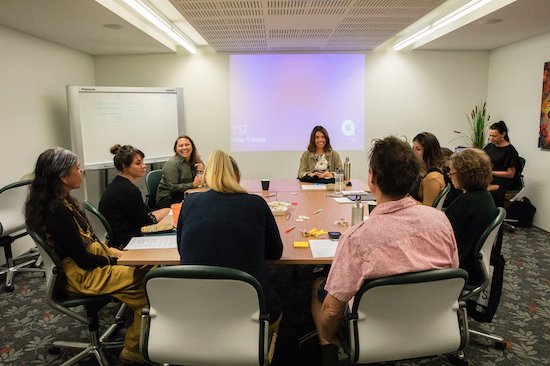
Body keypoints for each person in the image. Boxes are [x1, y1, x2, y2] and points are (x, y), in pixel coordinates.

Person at [311, 136, 459, 366]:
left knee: (318, 287)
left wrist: (331, 335)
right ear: (413, 177)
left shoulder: (356, 237)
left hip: (371, 333)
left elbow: (331, 312)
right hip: (430, 323)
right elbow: (451, 272)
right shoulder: (441, 221)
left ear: (372, 177)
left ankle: (332, 352)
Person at [24, 147, 148, 365]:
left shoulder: (61, 202)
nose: (81, 172)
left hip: (87, 267)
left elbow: (90, 244)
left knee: (146, 270)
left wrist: (116, 253)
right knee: (148, 284)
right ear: (63, 177)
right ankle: (132, 350)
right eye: (78, 169)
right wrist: (115, 260)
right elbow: (83, 260)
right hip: (82, 276)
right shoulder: (58, 212)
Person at [176, 150, 283, 329]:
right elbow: (275, 253)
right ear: (238, 176)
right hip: (253, 308)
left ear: (207, 177)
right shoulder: (256, 203)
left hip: (195, 306)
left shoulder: (189, 202)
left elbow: (181, 249)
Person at [99, 144, 170, 249]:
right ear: (125, 166)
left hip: (121, 236)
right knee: (167, 213)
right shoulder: (128, 190)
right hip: (128, 241)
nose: (144, 165)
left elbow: (143, 211)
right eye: (138, 163)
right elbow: (146, 222)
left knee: (166, 211)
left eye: (142, 161)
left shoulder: (119, 183)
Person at [445, 148, 498, 286]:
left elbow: (445, 241)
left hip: (459, 268)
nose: (449, 175)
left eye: (452, 172)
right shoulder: (485, 197)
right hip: (472, 266)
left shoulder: (465, 203)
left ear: (465, 174)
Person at [156, 135, 205, 208]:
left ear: (192, 147)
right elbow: (173, 188)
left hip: (187, 195)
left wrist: (205, 172)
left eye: (187, 145)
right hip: (168, 198)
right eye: (181, 146)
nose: (184, 148)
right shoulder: (172, 164)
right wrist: (193, 184)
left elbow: (202, 181)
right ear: (176, 149)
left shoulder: (196, 160)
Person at [483, 121, 520, 206]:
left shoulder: (510, 151)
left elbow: (510, 174)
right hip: (491, 175)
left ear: (503, 134)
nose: (491, 138)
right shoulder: (489, 147)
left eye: (494, 136)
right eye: (490, 135)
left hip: (504, 179)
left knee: (479, 188)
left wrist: (490, 172)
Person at [409, 132, 447, 206]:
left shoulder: (432, 178)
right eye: (413, 149)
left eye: (418, 149)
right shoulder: (423, 170)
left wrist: (407, 199)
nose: (413, 153)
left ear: (429, 152)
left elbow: (428, 209)